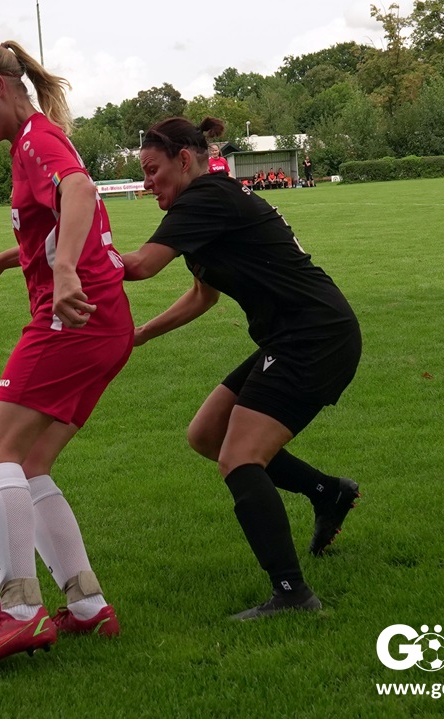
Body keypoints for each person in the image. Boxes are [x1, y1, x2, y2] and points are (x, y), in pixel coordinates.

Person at [121, 115, 362, 621]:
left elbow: (140, 266)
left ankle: (292, 595)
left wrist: (58, 257)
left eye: (152, 170)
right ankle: (327, 491)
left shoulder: (206, 198)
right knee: (207, 434)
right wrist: (141, 334)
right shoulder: (207, 203)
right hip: (296, 335)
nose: (147, 183)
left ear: (183, 160)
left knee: (239, 457)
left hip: (314, 336)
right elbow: (203, 295)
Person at [0, 39, 134, 674]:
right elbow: (54, 216)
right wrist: (8, 259)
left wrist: (66, 268)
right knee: (29, 464)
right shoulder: (32, 140)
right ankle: (87, 605)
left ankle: (20, 612)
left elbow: (79, 191)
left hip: (71, 321)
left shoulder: (37, 140)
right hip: (104, 325)